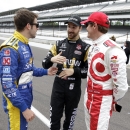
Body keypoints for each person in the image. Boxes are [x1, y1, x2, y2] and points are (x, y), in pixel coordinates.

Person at [0, 9, 58, 130]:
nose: (38, 28)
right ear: (28, 26)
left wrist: (46, 71)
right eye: (37, 25)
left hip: (24, 100)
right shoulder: (10, 48)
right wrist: (24, 108)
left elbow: (28, 70)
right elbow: (7, 84)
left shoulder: (24, 43)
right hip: (17, 105)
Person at [81, 11, 128, 130]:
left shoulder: (113, 50)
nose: (85, 28)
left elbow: (121, 85)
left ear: (94, 26)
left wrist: (113, 100)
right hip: (89, 97)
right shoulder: (94, 46)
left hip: (101, 100)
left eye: (87, 25)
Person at [42, 15, 90, 130]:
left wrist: (73, 71)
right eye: (68, 26)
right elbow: (45, 64)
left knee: (69, 125)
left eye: (74, 27)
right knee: (54, 123)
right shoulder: (58, 44)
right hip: (58, 88)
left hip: (73, 91)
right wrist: (51, 60)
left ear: (80, 29)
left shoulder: (86, 48)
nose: (70, 29)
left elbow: (88, 72)